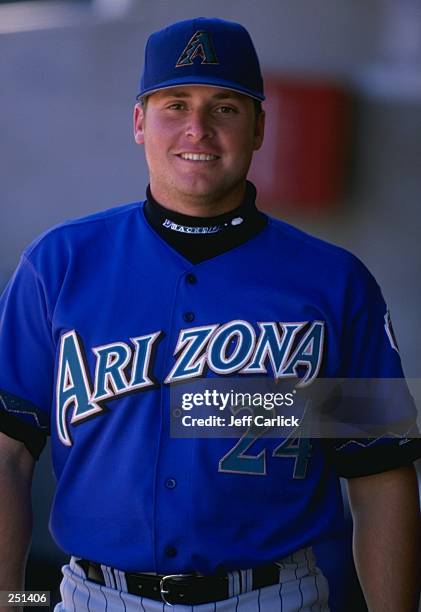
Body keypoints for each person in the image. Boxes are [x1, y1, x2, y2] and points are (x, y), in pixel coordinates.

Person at [0, 16, 420, 612]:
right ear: (140, 122)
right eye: (175, 103)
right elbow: (7, 453)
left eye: (225, 107)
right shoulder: (59, 263)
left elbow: (379, 474)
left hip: (276, 598)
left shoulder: (333, 280)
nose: (198, 128)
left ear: (259, 129)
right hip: (95, 596)